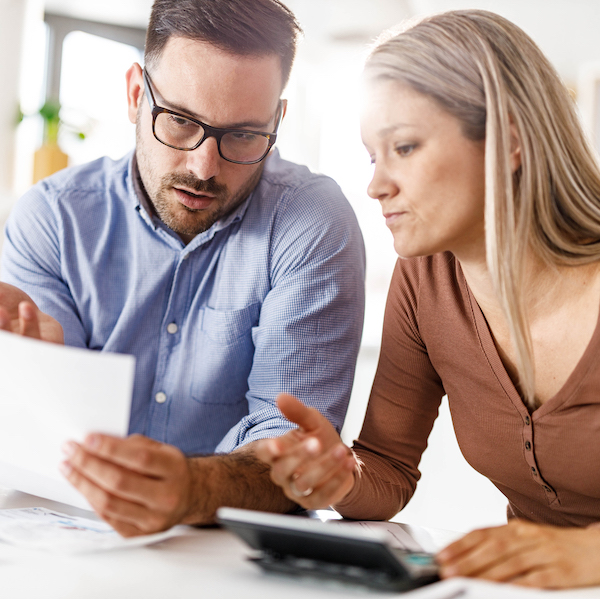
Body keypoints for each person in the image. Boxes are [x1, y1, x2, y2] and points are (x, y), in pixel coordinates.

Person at [256, 9, 600, 590]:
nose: (376, 184)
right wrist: (338, 476)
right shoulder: (423, 281)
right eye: (372, 155)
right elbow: (387, 470)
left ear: (509, 142)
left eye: (405, 147)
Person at [0, 0, 365, 537]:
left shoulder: (310, 223)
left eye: (243, 135)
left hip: (230, 550)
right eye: (179, 121)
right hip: (64, 537)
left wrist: (193, 491)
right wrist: (38, 381)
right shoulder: (54, 219)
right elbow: (44, 445)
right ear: (134, 94)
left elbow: (293, 449)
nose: (203, 167)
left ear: (277, 121)